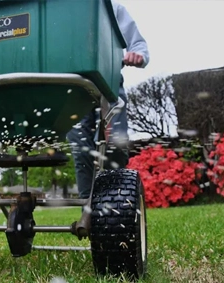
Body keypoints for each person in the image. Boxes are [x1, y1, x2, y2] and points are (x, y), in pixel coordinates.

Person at [66, 0, 150, 199]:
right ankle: (88, 207)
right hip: (73, 86)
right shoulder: (61, 12)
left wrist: (138, 55)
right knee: (81, 149)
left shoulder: (112, 9)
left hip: (108, 82)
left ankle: (119, 199)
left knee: (114, 144)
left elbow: (138, 44)